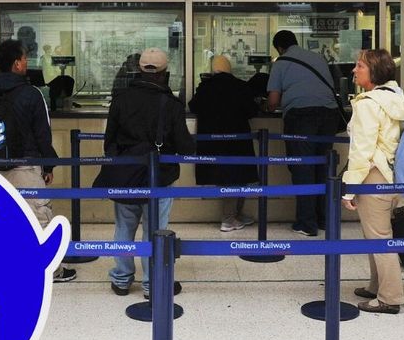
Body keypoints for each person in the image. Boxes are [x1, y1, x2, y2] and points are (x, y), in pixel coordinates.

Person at [94, 47, 195, 298]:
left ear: (139, 70)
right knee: (156, 229)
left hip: (125, 173)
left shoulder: (121, 98)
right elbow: (184, 146)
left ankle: (121, 279)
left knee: (124, 228)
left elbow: (110, 142)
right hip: (159, 176)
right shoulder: (170, 104)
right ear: (164, 74)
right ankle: (152, 284)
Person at [0, 40, 76, 283]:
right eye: (24, 58)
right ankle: (50, 271)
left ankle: (2, 268)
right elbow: (43, 133)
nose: (27, 62)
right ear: (17, 64)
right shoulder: (31, 94)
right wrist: (49, 165)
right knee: (38, 217)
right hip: (25, 166)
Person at [341, 49, 404, 314]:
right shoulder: (395, 98)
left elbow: (362, 151)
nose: (354, 70)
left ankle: (390, 297)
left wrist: (349, 190)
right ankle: (376, 285)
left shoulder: (368, 104)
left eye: (359, 66)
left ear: (374, 72)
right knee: (377, 234)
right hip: (392, 174)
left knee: (380, 237)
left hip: (373, 175)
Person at [266, 30, 340, 237]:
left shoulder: (281, 63)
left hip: (301, 117)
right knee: (324, 166)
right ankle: (325, 219)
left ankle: (307, 224)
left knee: (303, 168)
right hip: (329, 116)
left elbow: (272, 102)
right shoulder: (317, 57)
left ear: (279, 48)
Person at [189, 55, 260, 231]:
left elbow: (193, 106)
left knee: (228, 179)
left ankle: (234, 215)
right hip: (237, 141)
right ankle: (228, 219)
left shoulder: (205, 87)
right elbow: (252, 111)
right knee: (238, 178)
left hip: (212, 141)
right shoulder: (240, 86)